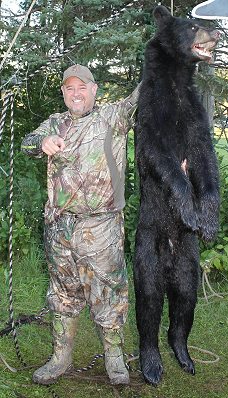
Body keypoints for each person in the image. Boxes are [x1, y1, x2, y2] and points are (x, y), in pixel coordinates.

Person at [21, 64, 139, 385]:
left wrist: (166, 58)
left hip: (102, 226)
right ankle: (61, 358)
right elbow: (27, 142)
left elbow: (142, 97)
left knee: (110, 293)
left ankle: (115, 359)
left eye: (82, 88)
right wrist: (42, 141)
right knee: (63, 294)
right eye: (70, 88)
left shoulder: (113, 118)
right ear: (64, 93)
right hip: (59, 227)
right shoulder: (55, 123)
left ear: (94, 90)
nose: (76, 94)